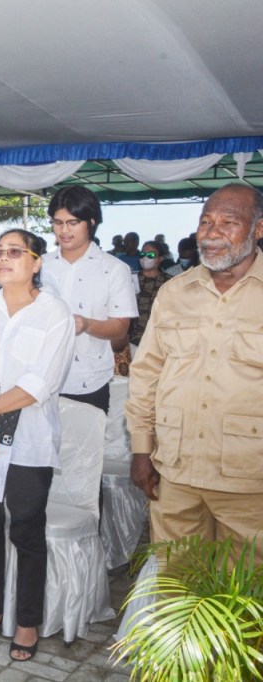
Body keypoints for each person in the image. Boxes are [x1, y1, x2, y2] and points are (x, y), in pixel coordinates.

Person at [0, 229, 75, 662]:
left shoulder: (55, 312)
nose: (3, 259)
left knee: (26, 530)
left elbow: (41, 383)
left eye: (15, 252)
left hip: (28, 441)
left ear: (37, 262)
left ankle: (27, 621)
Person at [127, 183, 263, 564]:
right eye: (206, 222)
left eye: (228, 222)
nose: (212, 233)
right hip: (176, 473)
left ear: (258, 228)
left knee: (245, 591)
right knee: (177, 586)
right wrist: (142, 449)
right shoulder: (174, 293)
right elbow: (146, 373)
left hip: (249, 480)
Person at [41, 186, 137, 414]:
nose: (64, 230)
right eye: (57, 222)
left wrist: (86, 324)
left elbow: (120, 328)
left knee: (86, 436)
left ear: (91, 222)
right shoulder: (39, 265)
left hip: (88, 380)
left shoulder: (114, 269)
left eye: (73, 222)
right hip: (38, 378)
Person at [128, 240, 171, 347]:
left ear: (160, 259)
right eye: (142, 254)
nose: (145, 257)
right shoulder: (129, 280)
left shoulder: (170, 283)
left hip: (159, 342)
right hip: (131, 341)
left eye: (151, 255)